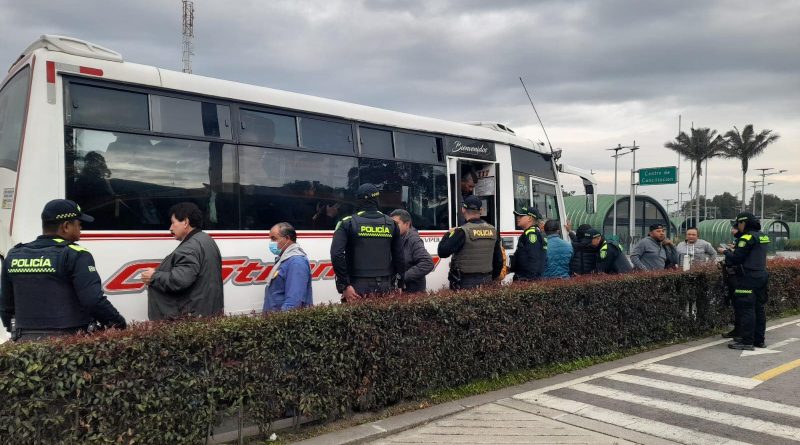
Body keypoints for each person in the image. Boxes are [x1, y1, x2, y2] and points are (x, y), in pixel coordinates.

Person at [0, 199, 126, 342]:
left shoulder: (14, 254)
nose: (81, 228)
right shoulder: (76, 254)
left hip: (25, 343)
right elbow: (93, 301)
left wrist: (18, 332)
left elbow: (6, 307)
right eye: (79, 224)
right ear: (66, 226)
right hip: (67, 345)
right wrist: (119, 324)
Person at [141, 202, 224, 320]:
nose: (170, 228)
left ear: (185, 222)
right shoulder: (205, 239)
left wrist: (154, 276)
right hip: (206, 313)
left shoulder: (189, 248)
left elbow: (180, 280)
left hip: (192, 318)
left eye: (173, 222)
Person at [330, 183, 404, 301]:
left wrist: (345, 285)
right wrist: (399, 284)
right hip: (385, 286)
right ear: (377, 199)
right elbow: (399, 257)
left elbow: (336, 254)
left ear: (359, 200)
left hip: (356, 287)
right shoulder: (391, 224)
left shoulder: (347, 223)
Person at [718, 212, 769, 351]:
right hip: (761, 275)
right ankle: (759, 340)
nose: (738, 226)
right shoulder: (763, 236)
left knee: (746, 308)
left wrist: (725, 252)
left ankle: (746, 341)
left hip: (747, 277)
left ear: (744, 223)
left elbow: (736, 259)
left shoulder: (746, 238)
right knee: (759, 308)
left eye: (739, 223)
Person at [438, 195, 504, 289]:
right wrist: (491, 278)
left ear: (463, 209)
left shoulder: (461, 232)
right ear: (481, 210)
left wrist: (448, 234)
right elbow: (498, 261)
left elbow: (442, 252)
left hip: (464, 283)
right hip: (487, 281)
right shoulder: (493, 231)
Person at [263, 222, 313, 312]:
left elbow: (294, 302)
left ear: (287, 238)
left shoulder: (296, 262)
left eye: (274, 238)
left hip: (281, 322)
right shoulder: (285, 259)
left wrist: (281, 322)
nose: (271, 243)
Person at [390, 209, 434, 293]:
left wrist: (402, 278)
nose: (392, 227)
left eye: (396, 224)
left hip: (412, 294)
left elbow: (427, 263)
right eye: (391, 224)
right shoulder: (397, 238)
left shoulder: (413, 240)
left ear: (407, 224)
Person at [510, 206, 547, 281]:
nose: (517, 218)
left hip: (527, 279)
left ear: (530, 218)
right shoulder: (533, 232)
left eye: (521, 216)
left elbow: (534, 258)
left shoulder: (531, 234)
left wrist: (529, 280)